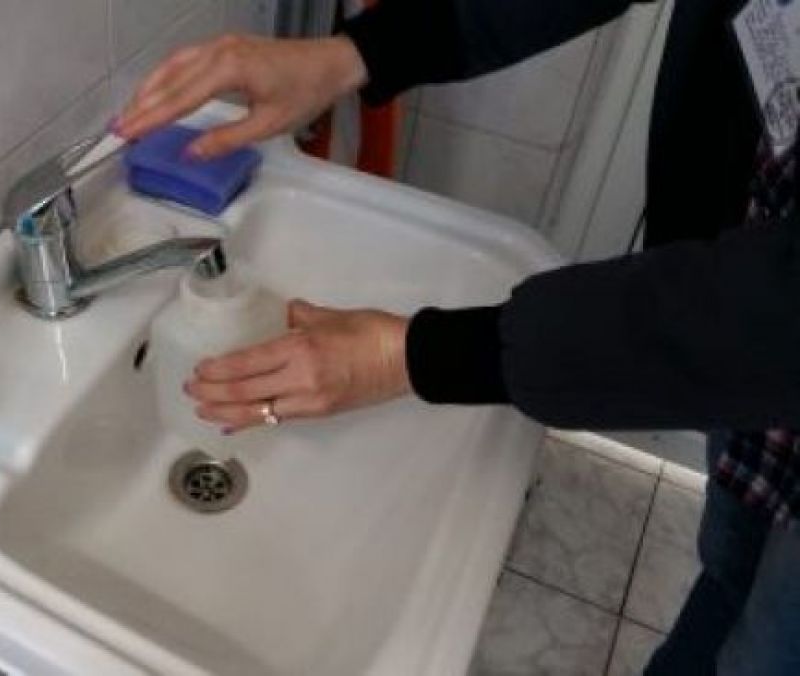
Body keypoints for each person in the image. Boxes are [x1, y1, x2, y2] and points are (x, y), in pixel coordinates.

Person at [113, 1, 800, 674]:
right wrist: (352, 54)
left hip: (763, 334)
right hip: (754, 345)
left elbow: (774, 311)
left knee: (768, 645)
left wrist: (417, 356)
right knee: (729, 570)